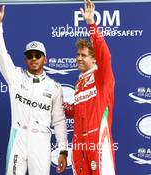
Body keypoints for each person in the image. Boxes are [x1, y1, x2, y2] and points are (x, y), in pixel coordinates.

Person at [0, 0, 68, 174]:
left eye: (37, 55)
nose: (33, 58)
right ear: (25, 59)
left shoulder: (54, 87)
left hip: (41, 141)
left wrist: (63, 149)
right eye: (29, 55)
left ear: (44, 59)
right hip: (18, 138)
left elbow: (60, 121)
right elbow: (1, 54)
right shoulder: (15, 77)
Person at [63, 0, 116, 175]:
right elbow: (79, 112)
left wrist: (91, 24)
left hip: (98, 141)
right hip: (80, 145)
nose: (78, 58)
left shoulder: (102, 76)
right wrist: (59, 105)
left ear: (94, 59)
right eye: (77, 54)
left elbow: (105, 55)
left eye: (83, 55)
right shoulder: (79, 83)